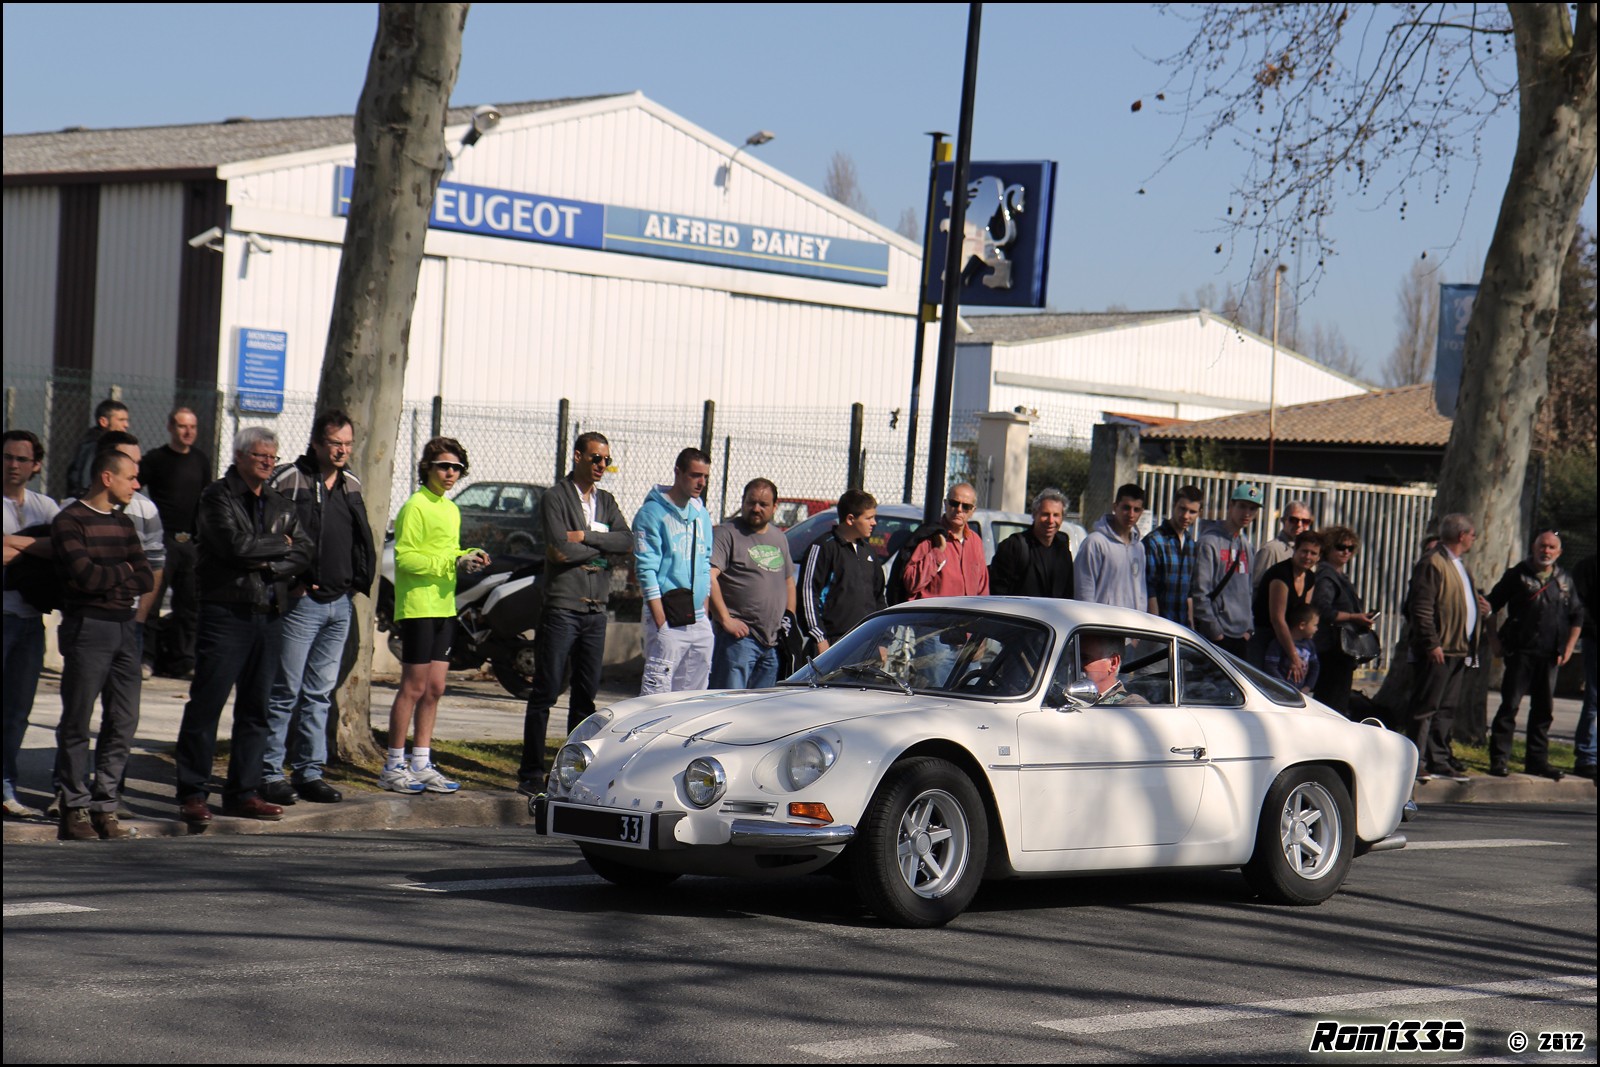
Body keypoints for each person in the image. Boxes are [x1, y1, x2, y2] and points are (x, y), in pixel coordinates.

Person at [172, 428, 313, 825]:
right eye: (260, 456)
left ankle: (244, 792)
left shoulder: (279, 502)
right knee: (207, 703)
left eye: (272, 456)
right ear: (239, 456)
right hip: (226, 614)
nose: (268, 462)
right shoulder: (217, 496)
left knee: (257, 708)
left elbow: (303, 550)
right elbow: (233, 546)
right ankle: (193, 792)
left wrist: (270, 558)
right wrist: (277, 546)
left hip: (268, 613)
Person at [261, 410, 376, 806]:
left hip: (339, 604)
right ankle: (270, 772)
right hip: (301, 605)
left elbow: (360, 541)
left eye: (347, 443)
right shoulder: (290, 479)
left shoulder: (351, 484)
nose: (343, 450)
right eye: (335, 443)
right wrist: (290, 581)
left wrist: (355, 585)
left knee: (319, 695)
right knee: (284, 692)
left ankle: (310, 772)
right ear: (317, 443)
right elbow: (270, 536)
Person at [517, 432, 632, 796]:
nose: (602, 466)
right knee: (546, 691)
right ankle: (531, 771)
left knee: (585, 697)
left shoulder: (607, 501)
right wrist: (600, 548)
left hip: (596, 610)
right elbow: (558, 553)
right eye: (596, 459)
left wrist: (584, 537)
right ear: (579, 456)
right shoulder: (555, 496)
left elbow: (627, 542)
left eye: (606, 461)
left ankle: (574, 772)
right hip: (563, 607)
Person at [50, 449, 154, 840]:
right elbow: (85, 578)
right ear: (107, 478)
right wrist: (124, 570)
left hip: (126, 628)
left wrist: (117, 573)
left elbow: (146, 577)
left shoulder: (124, 523)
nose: (137, 485)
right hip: (88, 628)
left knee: (123, 720)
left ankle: (104, 804)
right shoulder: (69, 521)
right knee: (77, 719)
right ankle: (73, 806)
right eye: (131, 478)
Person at [382, 437, 487, 795]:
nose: (450, 473)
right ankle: (393, 764)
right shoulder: (415, 506)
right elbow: (405, 557)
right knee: (412, 687)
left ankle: (421, 761)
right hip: (417, 606)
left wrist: (469, 554)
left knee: (437, 687)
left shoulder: (450, 508)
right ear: (427, 467)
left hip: (445, 606)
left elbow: (449, 551)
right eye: (444, 466)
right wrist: (449, 561)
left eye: (456, 468)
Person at [1485, 530, 1583, 780]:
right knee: (1510, 706)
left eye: (1552, 547)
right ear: (1534, 547)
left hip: (1550, 655)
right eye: (1542, 546)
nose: (1546, 551)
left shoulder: (1564, 579)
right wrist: (1493, 639)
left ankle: (1537, 761)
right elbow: (1490, 606)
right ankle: (1499, 759)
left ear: (1559, 552)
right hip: (1520, 652)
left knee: (1543, 710)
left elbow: (1577, 617)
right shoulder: (1517, 574)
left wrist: (1569, 647)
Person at [1404, 512, 1489, 783]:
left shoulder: (1459, 564)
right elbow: (1421, 607)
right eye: (1473, 535)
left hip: (1458, 649)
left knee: (1446, 708)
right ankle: (1416, 761)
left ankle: (1438, 759)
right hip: (1439, 649)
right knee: (1425, 707)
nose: (1474, 539)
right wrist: (1432, 643)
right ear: (1462, 535)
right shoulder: (1433, 563)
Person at [3, 431, 60, 819]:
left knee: (18, 710)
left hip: (30, 622)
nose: (13, 465)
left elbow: (61, 547)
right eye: (7, 457)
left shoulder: (46, 506)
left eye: (22, 459)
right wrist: (34, 546)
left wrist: (13, 542)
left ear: (35, 465)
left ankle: (6, 784)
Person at [82, 432, 166, 677]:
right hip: (89, 620)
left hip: (130, 620)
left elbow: (154, 566)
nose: (136, 475)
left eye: (138, 464)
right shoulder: (74, 510)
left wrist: (139, 618)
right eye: (129, 464)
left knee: (125, 704)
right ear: (106, 470)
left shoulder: (146, 509)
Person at [635, 448, 715, 695]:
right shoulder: (652, 513)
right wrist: (661, 621)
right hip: (667, 613)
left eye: (705, 476)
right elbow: (646, 567)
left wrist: (704, 611)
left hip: (697, 616)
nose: (701, 482)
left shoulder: (701, 514)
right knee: (657, 692)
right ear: (678, 472)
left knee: (694, 693)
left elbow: (705, 562)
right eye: (695, 475)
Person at [138, 407, 211, 677]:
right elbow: (133, 484)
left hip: (191, 542)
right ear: (170, 427)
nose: (188, 431)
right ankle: (146, 658)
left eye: (192, 426)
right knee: (152, 601)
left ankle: (183, 661)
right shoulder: (156, 459)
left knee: (189, 605)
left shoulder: (201, 460)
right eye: (182, 426)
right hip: (162, 540)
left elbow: (207, 498)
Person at [708, 477, 796, 689]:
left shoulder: (779, 538)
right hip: (738, 641)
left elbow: (789, 582)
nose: (756, 508)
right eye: (751, 502)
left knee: (760, 712)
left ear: (775, 506)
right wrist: (726, 620)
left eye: (763, 504)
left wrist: (788, 618)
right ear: (743, 502)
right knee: (727, 705)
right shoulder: (726, 534)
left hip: (772, 642)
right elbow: (708, 577)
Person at [799, 488, 886, 654]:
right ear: (850, 519)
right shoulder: (823, 547)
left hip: (866, 641)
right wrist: (820, 638)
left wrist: (882, 639)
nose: (874, 523)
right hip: (833, 643)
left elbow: (878, 596)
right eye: (869, 518)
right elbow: (808, 594)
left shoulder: (868, 552)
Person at [1311, 524, 1376, 715]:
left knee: (1338, 700)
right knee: (1331, 702)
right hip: (1332, 648)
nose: (1345, 552)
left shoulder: (1340, 575)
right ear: (1328, 548)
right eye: (1340, 547)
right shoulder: (1326, 575)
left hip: (1342, 650)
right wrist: (1355, 617)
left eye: (1350, 548)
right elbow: (1324, 610)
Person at [1192, 483, 1263, 658]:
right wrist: (1215, 631)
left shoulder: (1246, 545)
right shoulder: (1209, 542)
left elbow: (1249, 590)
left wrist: (1249, 628)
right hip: (1218, 635)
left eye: (1253, 508)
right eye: (1242, 506)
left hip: (1242, 635)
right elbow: (1200, 591)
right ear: (1231, 505)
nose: (1247, 513)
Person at [902, 482, 990, 600]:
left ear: (972, 510)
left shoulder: (975, 542)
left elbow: (982, 589)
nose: (959, 509)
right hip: (933, 615)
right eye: (954, 503)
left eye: (965, 506)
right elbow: (911, 583)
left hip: (966, 615)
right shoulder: (930, 536)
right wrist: (937, 552)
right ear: (945, 504)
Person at [1251, 529, 1321, 676]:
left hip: (1287, 639)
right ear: (1295, 550)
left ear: (1319, 557)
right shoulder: (1280, 575)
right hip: (1264, 636)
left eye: (1313, 553)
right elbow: (1277, 619)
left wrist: (1300, 651)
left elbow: (1304, 616)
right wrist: (1294, 656)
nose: (1307, 557)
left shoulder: (1310, 577)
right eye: (1304, 551)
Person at [989, 487, 1074, 598]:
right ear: (1034, 515)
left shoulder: (1063, 552)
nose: (1051, 520)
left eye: (1056, 515)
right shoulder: (1014, 546)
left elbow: (1068, 595)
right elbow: (997, 592)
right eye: (1045, 514)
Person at [1074, 483, 1148, 609]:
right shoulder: (1095, 543)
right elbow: (1084, 590)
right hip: (1103, 623)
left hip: (1132, 624)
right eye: (1126, 507)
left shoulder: (1139, 547)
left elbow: (1141, 592)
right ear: (1115, 507)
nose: (1131, 514)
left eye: (1136, 510)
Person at [1144, 485, 1202, 625]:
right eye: (1182, 509)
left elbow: (1189, 591)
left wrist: (1191, 626)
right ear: (1174, 506)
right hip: (1159, 625)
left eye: (1192, 511)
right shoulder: (1154, 541)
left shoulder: (1191, 544)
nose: (1186, 516)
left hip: (1182, 628)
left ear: (1199, 513)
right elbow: (1149, 588)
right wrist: (1156, 627)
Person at [65, 398, 129, 497]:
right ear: (103, 422)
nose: (126, 425)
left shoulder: (108, 444)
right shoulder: (94, 445)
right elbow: (85, 481)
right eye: (121, 420)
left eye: (126, 420)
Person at [1253, 499, 1314, 589]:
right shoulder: (1271, 550)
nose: (1299, 525)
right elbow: (1255, 587)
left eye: (1305, 521)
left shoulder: (1310, 552)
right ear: (1283, 520)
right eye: (1293, 520)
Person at [1572, 553, 1596, 780]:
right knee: (1594, 700)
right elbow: (1579, 606)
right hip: (1595, 641)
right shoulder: (1588, 567)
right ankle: (1587, 756)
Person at [1265, 602, 1321, 694]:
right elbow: (1270, 666)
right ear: (1302, 625)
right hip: (1279, 692)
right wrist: (1283, 686)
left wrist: (1308, 687)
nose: (1317, 629)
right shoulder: (1279, 643)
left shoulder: (1310, 645)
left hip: (1300, 692)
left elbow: (1315, 666)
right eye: (1315, 625)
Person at [1078, 632, 1147, 705]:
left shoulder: (1132, 705)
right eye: (1071, 658)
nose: (1073, 665)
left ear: (1113, 663)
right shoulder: (1071, 698)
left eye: (1085, 659)